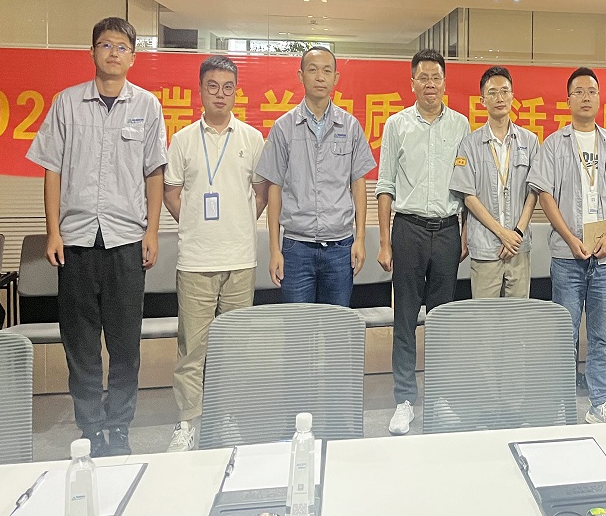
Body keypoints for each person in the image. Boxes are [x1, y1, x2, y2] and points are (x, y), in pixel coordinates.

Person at [26, 17, 167, 457]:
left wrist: (152, 231)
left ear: (133, 56)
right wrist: (53, 232)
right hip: (76, 242)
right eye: (105, 45)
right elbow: (52, 169)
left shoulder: (147, 106)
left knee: (125, 346)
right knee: (81, 345)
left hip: (126, 241)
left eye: (122, 46)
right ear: (92, 52)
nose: (113, 53)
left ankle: (119, 429)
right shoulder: (67, 104)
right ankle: (90, 429)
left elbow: (155, 173)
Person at [162, 56, 267, 452]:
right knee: (192, 349)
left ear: (236, 92)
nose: (220, 94)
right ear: (200, 90)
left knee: (235, 349)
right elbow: (172, 193)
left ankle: (228, 417)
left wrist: (238, 224)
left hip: (240, 260)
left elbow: (260, 194)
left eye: (227, 87)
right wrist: (195, 223)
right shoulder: (183, 140)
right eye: (212, 86)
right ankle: (187, 422)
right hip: (196, 262)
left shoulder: (252, 139)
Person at [527, 67, 606, 424]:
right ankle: (562, 405)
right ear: (568, 100)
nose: (586, 97)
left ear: (599, 98)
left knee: (600, 336)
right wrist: (570, 237)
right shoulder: (553, 144)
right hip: (567, 256)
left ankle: (599, 403)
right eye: (578, 91)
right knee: (565, 335)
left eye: (592, 91)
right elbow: (545, 195)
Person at [376, 49, 470, 435]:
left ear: (445, 83)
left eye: (436, 77)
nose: (430, 84)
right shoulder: (396, 125)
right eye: (423, 77)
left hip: (448, 230)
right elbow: (385, 185)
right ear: (412, 83)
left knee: (442, 320)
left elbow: (466, 186)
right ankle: (404, 400)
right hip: (408, 230)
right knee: (405, 319)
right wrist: (385, 242)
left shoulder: (461, 125)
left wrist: (464, 233)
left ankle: (441, 397)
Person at [257, 46, 375, 305]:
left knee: (337, 323)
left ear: (336, 78)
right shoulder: (283, 127)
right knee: (299, 325)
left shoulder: (350, 126)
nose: (320, 77)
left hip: (340, 247)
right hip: (296, 247)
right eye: (313, 70)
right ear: (301, 76)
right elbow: (274, 188)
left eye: (327, 71)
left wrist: (360, 239)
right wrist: (274, 248)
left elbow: (358, 184)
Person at [449, 66, 539, 298]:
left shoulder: (530, 141)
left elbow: (534, 192)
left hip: (518, 247)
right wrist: (502, 234)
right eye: (492, 92)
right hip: (485, 248)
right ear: (482, 101)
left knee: (518, 315)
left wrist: (516, 233)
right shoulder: (469, 144)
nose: (499, 98)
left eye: (504, 91)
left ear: (512, 96)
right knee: (485, 316)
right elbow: (468, 197)